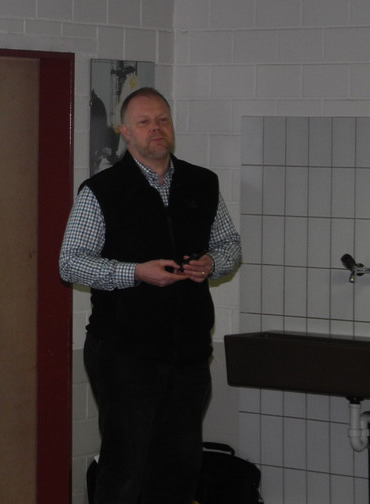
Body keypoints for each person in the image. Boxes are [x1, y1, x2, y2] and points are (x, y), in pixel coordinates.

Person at [59, 87, 241, 504]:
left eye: (162, 120)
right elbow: (70, 263)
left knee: (180, 469)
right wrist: (135, 272)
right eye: (144, 122)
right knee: (126, 471)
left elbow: (230, 244)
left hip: (188, 354)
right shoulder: (102, 190)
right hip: (125, 353)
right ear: (125, 132)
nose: (156, 128)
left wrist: (212, 262)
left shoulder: (202, 183)